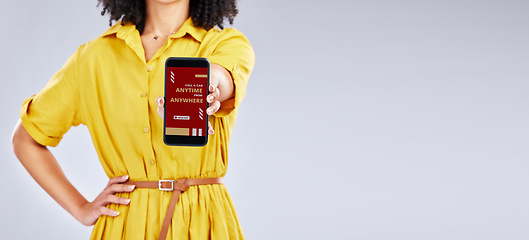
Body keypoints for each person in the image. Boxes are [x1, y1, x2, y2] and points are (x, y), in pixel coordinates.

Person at [11, 0, 254, 239]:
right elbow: (26, 139)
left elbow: (221, 78)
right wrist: (80, 208)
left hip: (203, 223)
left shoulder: (226, 44)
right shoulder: (93, 58)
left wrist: (203, 89)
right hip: (125, 224)